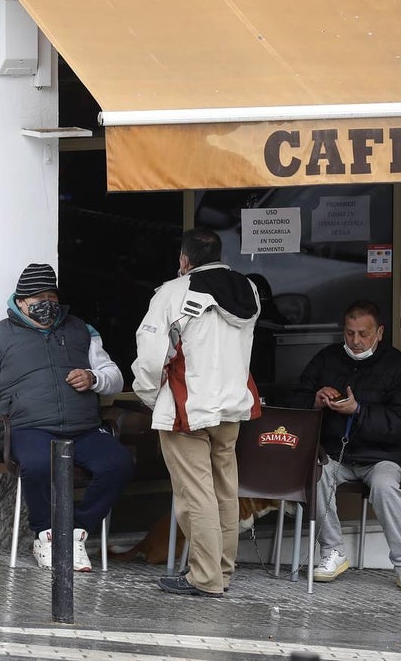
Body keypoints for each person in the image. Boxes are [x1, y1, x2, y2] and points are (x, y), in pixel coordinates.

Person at [0, 263, 133, 571]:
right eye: (39, 298)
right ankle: (46, 535)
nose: (47, 304)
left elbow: (114, 377)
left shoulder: (82, 331)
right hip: (28, 428)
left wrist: (94, 378)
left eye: (52, 297)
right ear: (21, 301)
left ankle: (75, 532)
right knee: (38, 463)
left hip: (83, 428)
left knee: (119, 463)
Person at [132, 228, 260, 598]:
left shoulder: (172, 292)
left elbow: (151, 357)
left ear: (184, 260)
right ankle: (222, 570)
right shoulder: (248, 291)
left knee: (195, 495)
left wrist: (150, 397)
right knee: (225, 490)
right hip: (232, 405)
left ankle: (204, 577)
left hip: (187, 406)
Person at [290, 300, 401, 593]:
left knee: (385, 487)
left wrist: (359, 411)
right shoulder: (326, 359)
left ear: (380, 332)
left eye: (363, 334)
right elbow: (295, 401)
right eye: (350, 333)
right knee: (314, 475)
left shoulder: (400, 367)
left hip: (383, 457)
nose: (356, 341)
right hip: (335, 454)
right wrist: (315, 401)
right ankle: (333, 551)